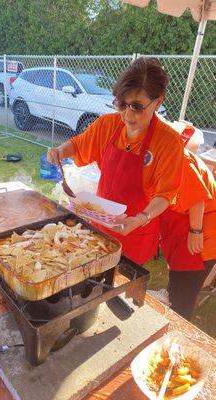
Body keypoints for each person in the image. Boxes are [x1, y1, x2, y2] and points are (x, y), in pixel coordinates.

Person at [48, 57, 184, 265]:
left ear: (158, 102)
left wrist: (140, 218)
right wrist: (60, 150)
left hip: (137, 229)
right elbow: (78, 144)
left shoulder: (168, 142)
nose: (127, 114)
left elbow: (165, 195)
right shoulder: (107, 124)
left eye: (137, 107)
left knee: (125, 285)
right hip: (101, 222)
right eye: (122, 104)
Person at [158, 149, 216, 320]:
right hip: (183, 230)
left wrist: (196, 231)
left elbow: (197, 199)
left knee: (182, 297)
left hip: (199, 236)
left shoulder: (176, 156)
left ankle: (177, 333)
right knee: (181, 287)